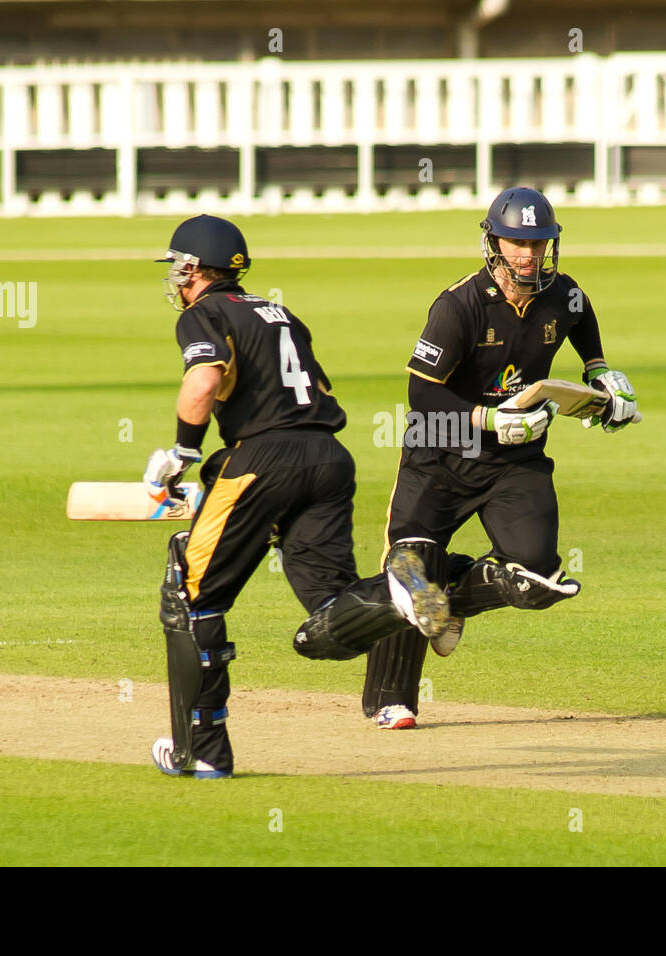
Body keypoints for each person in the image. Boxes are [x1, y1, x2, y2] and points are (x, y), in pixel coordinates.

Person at [144, 214, 449, 777]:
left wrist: (184, 450)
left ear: (193, 268)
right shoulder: (281, 313)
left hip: (263, 462)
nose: (176, 281)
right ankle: (396, 592)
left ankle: (203, 751)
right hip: (328, 458)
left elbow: (205, 382)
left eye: (178, 269)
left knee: (191, 598)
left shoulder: (204, 313)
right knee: (330, 611)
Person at [361, 186, 639, 729]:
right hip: (440, 452)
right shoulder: (458, 305)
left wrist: (600, 371)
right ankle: (391, 698)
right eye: (517, 242)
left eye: (538, 243)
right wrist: (487, 419)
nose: (528, 255)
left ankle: (454, 603)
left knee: (538, 579)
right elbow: (422, 395)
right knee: (411, 569)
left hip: (515, 463)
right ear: (494, 242)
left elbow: (580, 321)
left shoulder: (565, 294)